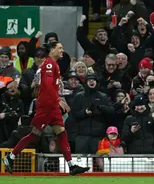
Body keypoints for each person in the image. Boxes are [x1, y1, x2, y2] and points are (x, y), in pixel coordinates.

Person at [2, 42, 90, 176]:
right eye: (60, 48)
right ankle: (10, 157)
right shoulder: (49, 64)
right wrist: (59, 99)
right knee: (34, 135)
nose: (62, 50)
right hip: (46, 105)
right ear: (52, 50)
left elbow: (51, 86)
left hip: (52, 105)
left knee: (61, 132)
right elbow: (48, 85)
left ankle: (71, 166)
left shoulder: (54, 64)